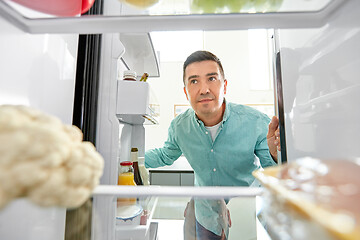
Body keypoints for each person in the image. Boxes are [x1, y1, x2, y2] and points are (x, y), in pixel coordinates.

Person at [145, 50, 280, 239]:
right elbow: (164, 155)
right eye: (194, 81)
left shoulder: (256, 122)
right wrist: (126, 158)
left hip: (245, 211)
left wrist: (276, 155)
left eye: (211, 79)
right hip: (205, 214)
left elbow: (273, 173)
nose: (204, 89)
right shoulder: (180, 127)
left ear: (224, 85)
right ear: (186, 91)